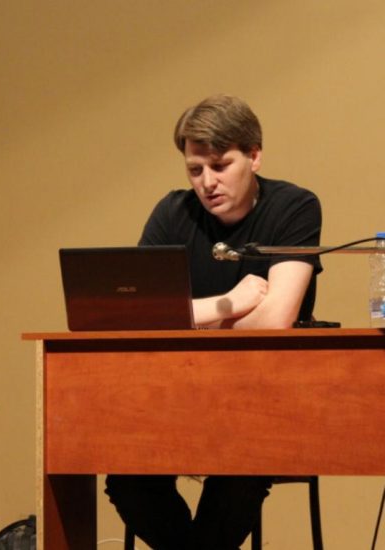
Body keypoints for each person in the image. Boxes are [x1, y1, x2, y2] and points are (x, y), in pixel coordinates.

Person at [105, 94, 322, 549]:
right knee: (126, 479)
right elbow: (138, 316)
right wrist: (227, 305)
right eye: (195, 169)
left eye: (220, 166)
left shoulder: (295, 207)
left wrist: (184, 319)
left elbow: (274, 322)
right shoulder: (173, 212)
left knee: (239, 475)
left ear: (254, 156)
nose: (207, 182)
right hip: (177, 395)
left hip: (262, 398)